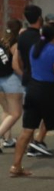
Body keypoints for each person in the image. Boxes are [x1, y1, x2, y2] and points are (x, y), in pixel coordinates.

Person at [9, 23, 54, 176]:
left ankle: (16, 166)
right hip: (48, 93)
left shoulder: (34, 48)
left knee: (27, 130)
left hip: (32, 90)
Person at [13, 5, 51, 157]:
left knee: (31, 117)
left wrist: (25, 74)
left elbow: (19, 60)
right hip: (43, 80)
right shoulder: (40, 38)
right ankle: (37, 142)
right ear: (39, 18)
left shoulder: (22, 36)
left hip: (29, 80)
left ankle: (26, 153)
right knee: (49, 112)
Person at [0, 18, 23, 152]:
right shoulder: (15, 44)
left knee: (6, 111)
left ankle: (7, 139)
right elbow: (16, 65)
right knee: (15, 113)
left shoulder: (1, 42)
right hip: (10, 80)